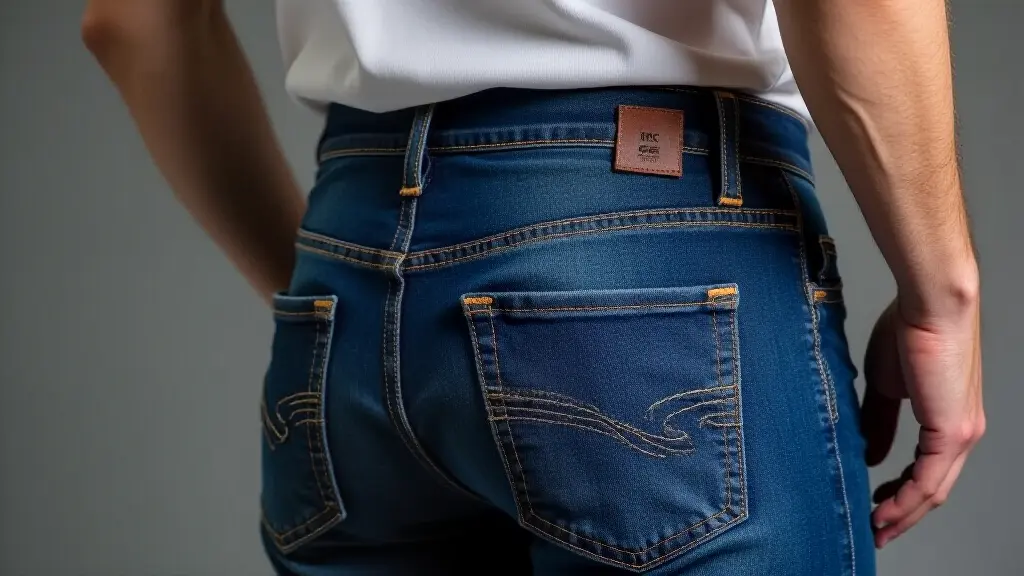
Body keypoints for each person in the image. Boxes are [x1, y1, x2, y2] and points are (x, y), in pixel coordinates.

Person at [81, 1, 984, 574]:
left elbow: (131, 21)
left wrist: (342, 294)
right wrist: (941, 302)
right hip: (645, 241)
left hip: (349, 256)